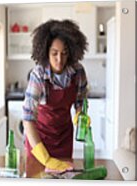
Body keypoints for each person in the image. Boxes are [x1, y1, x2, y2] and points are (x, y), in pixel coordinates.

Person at [23, 19, 89, 173]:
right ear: (46, 51)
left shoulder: (78, 72)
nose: (60, 59)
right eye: (54, 53)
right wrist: (45, 158)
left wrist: (80, 114)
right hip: (39, 141)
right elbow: (28, 120)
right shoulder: (38, 75)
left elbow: (80, 101)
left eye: (64, 53)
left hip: (64, 138)